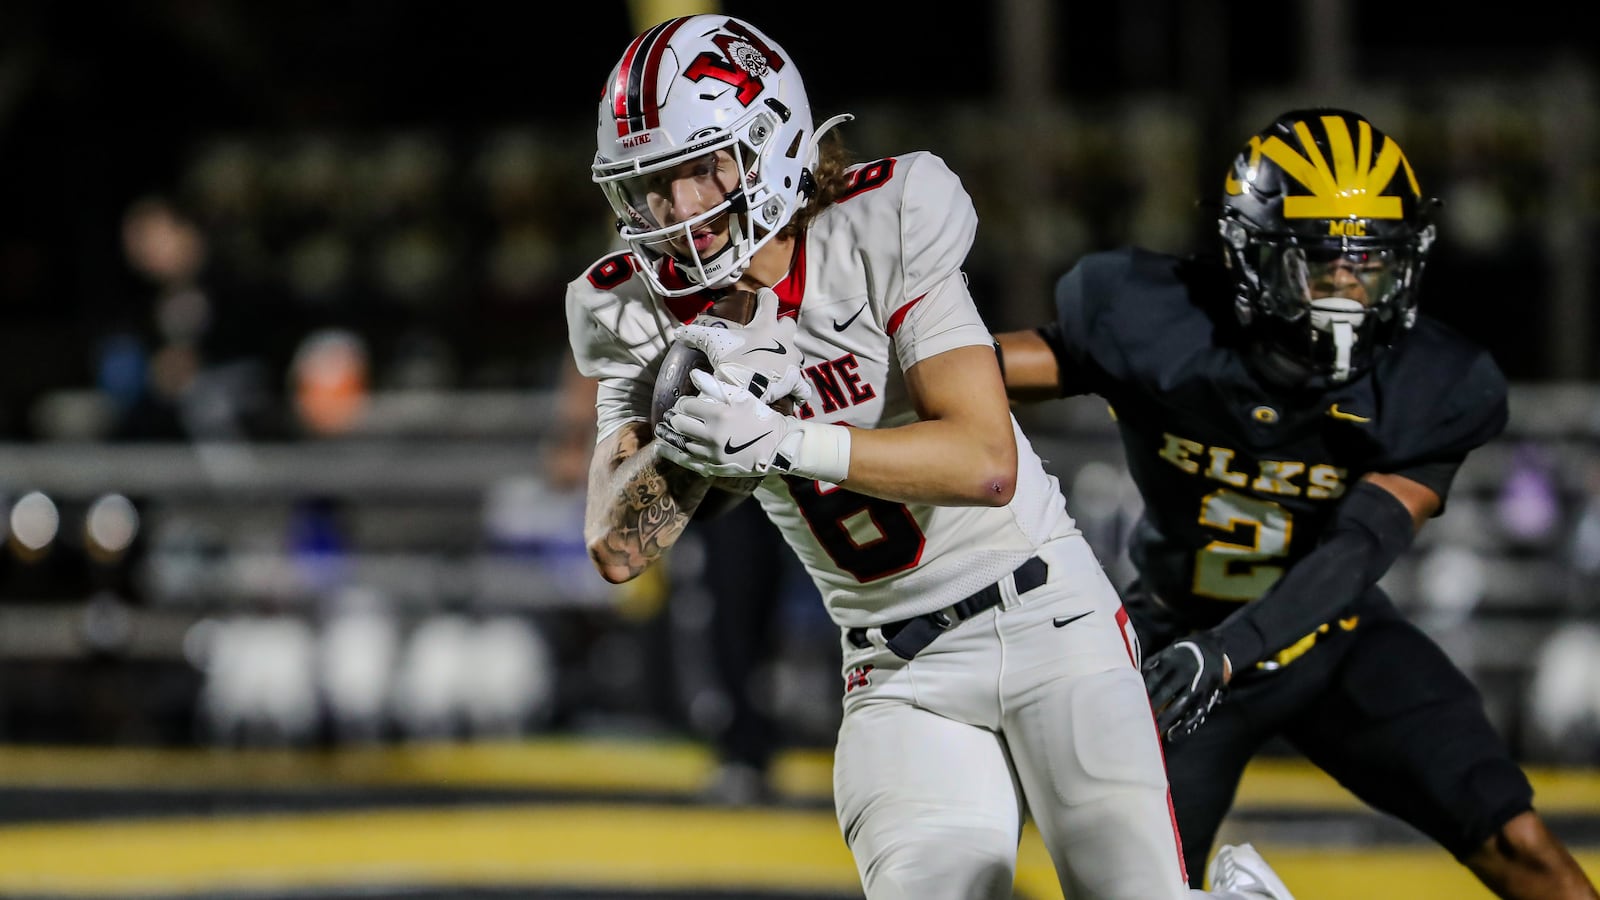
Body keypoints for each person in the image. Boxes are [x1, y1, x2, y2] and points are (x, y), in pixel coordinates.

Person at [566, 13, 1293, 900]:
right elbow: (616, 542)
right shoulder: (631, 308)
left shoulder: (885, 218)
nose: (676, 212)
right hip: (896, 669)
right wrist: (691, 440)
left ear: (769, 142)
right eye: (648, 187)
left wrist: (784, 437)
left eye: (696, 169)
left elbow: (986, 461)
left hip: (1044, 618)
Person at [996, 107, 1600, 899]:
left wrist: (1229, 651)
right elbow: (966, 372)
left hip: (1328, 636)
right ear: (1253, 257)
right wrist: (842, 385)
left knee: (1522, 848)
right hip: (1175, 640)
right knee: (1134, 888)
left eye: (1370, 266)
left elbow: (1356, 550)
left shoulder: (1434, 385)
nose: (1348, 293)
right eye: (1323, 265)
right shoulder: (1160, 323)